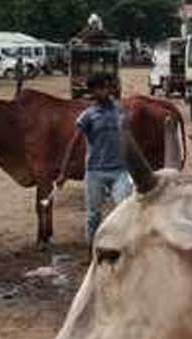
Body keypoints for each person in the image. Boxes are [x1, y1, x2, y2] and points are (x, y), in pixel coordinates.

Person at [56, 73, 131, 245]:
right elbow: (73, 144)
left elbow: (128, 139)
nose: (103, 92)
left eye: (105, 87)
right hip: (95, 171)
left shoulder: (120, 111)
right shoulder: (88, 116)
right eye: (98, 89)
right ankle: (91, 253)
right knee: (93, 216)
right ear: (92, 92)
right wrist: (63, 173)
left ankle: (121, 249)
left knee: (124, 209)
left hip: (120, 171)